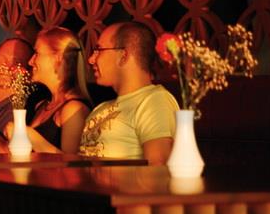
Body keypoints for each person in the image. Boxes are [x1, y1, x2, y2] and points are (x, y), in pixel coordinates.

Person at [79, 22, 178, 164]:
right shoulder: (100, 108)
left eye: (98, 50)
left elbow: (158, 169)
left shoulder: (154, 100)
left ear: (123, 56)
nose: (90, 60)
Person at [21, 27, 91, 154]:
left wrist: (31, 136)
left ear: (58, 58)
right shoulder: (41, 105)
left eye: (37, 53)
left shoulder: (74, 109)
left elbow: (71, 163)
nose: (30, 62)